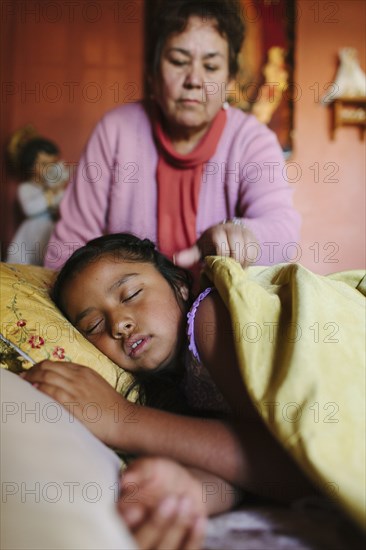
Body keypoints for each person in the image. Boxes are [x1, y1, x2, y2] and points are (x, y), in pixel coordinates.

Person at [24, 233, 314, 547]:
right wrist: (186, 490)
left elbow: (296, 465)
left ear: (179, 284)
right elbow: (237, 471)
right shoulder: (180, 392)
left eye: (131, 294)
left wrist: (124, 420)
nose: (118, 324)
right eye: (94, 326)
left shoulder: (210, 316)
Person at [44, 0, 301, 278]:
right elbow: (67, 250)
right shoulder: (116, 131)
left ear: (229, 81)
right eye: (178, 61)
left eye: (211, 67)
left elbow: (283, 232)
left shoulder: (252, 140)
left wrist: (236, 234)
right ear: (152, 74)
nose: (194, 80)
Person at [6, 126, 69, 265]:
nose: (49, 168)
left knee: (49, 256)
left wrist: (60, 190)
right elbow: (30, 209)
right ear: (30, 166)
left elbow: (65, 204)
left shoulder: (52, 187)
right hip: (32, 231)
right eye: (44, 164)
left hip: (50, 229)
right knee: (24, 258)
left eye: (52, 163)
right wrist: (52, 193)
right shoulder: (26, 187)